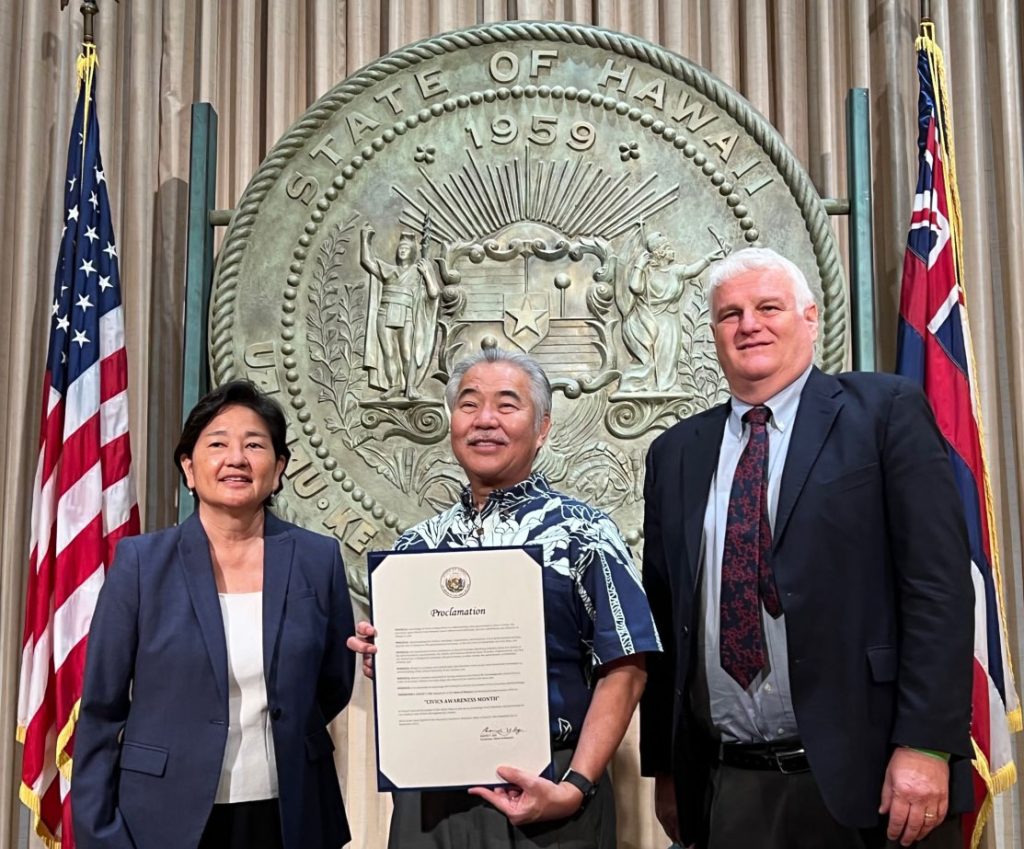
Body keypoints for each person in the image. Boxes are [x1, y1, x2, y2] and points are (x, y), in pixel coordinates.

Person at [639, 247, 974, 849]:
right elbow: (665, 623)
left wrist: (926, 744)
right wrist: (666, 770)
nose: (749, 325)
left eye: (769, 307)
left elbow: (938, 588)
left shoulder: (883, 412)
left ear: (811, 318)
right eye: (730, 313)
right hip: (728, 784)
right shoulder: (676, 453)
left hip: (872, 778)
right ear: (712, 332)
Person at [348, 346, 662, 848]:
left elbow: (627, 665)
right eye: (469, 404)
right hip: (431, 803)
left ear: (542, 428)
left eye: (507, 405)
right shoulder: (414, 549)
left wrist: (574, 786)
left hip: (551, 792)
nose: (485, 420)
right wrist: (386, 660)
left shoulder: (584, 534)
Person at [72, 380, 356, 849]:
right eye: (218, 444)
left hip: (290, 814)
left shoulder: (317, 558)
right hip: (164, 815)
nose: (237, 459)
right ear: (189, 466)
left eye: (255, 445)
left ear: (279, 467)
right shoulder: (142, 564)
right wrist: (100, 832)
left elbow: (334, 681)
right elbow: (101, 710)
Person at [617, 230, 725, 393]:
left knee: (670, 352)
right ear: (659, 253)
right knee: (656, 352)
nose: (671, 249)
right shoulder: (647, 272)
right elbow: (635, 287)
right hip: (653, 319)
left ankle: (666, 386)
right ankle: (652, 384)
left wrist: (708, 258)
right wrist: (639, 265)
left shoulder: (675, 271)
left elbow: (692, 270)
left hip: (671, 318)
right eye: (667, 247)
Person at [361, 223, 441, 400]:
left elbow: (434, 292)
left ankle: (410, 387)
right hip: (385, 311)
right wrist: (365, 239)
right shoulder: (387, 269)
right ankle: (394, 385)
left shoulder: (418, 270)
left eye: (406, 248)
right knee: (388, 352)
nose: (402, 251)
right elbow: (367, 262)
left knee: (407, 353)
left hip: (406, 313)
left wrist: (427, 273)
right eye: (400, 248)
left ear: (413, 252)